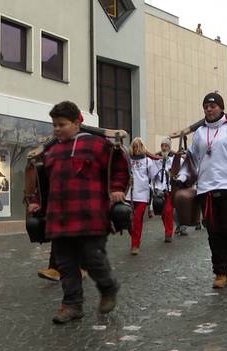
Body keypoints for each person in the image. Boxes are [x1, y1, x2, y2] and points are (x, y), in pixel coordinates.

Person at [27, 101, 128, 324]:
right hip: (59, 217)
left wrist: (118, 188)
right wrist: (36, 202)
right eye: (54, 125)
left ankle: (108, 287)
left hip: (90, 214)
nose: (56, 129)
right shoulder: (51, 151)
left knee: (93, 259)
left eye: (62, 124)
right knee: (65, 264)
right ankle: (72, 305)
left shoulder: (97, 145)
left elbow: (118, 166)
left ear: (76, 122)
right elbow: (43, 184)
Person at [176, 92, 227, 289]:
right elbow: (191, 158)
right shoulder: (199, 133)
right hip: (206, 188)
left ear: (221, 107)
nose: (209, 109)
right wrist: (183, 177)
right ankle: (220, 271)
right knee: (214, 232)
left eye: (213, 106)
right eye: (206, 106)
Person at [128, 137, 159, 255]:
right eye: (134, 146)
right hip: (129, 195)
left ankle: (134, 245)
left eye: (138, 146)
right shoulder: (128, 160)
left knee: (137, 218)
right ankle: (135, 239)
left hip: (142, 195)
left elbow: (154, 176)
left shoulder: (147, 161)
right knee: (130, 221)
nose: (136, 148)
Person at [153, 137, 177, 242]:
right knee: (162, 213)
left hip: (169, 190)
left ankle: (168, 234)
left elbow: (182, 163)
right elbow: (152, 174)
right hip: (159, 190)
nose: (164, 148)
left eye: (166, 146)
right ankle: (167, 229)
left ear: (169, 148)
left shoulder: (173, 160)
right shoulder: (156, 160)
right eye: (162, 146)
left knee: (168, 211)